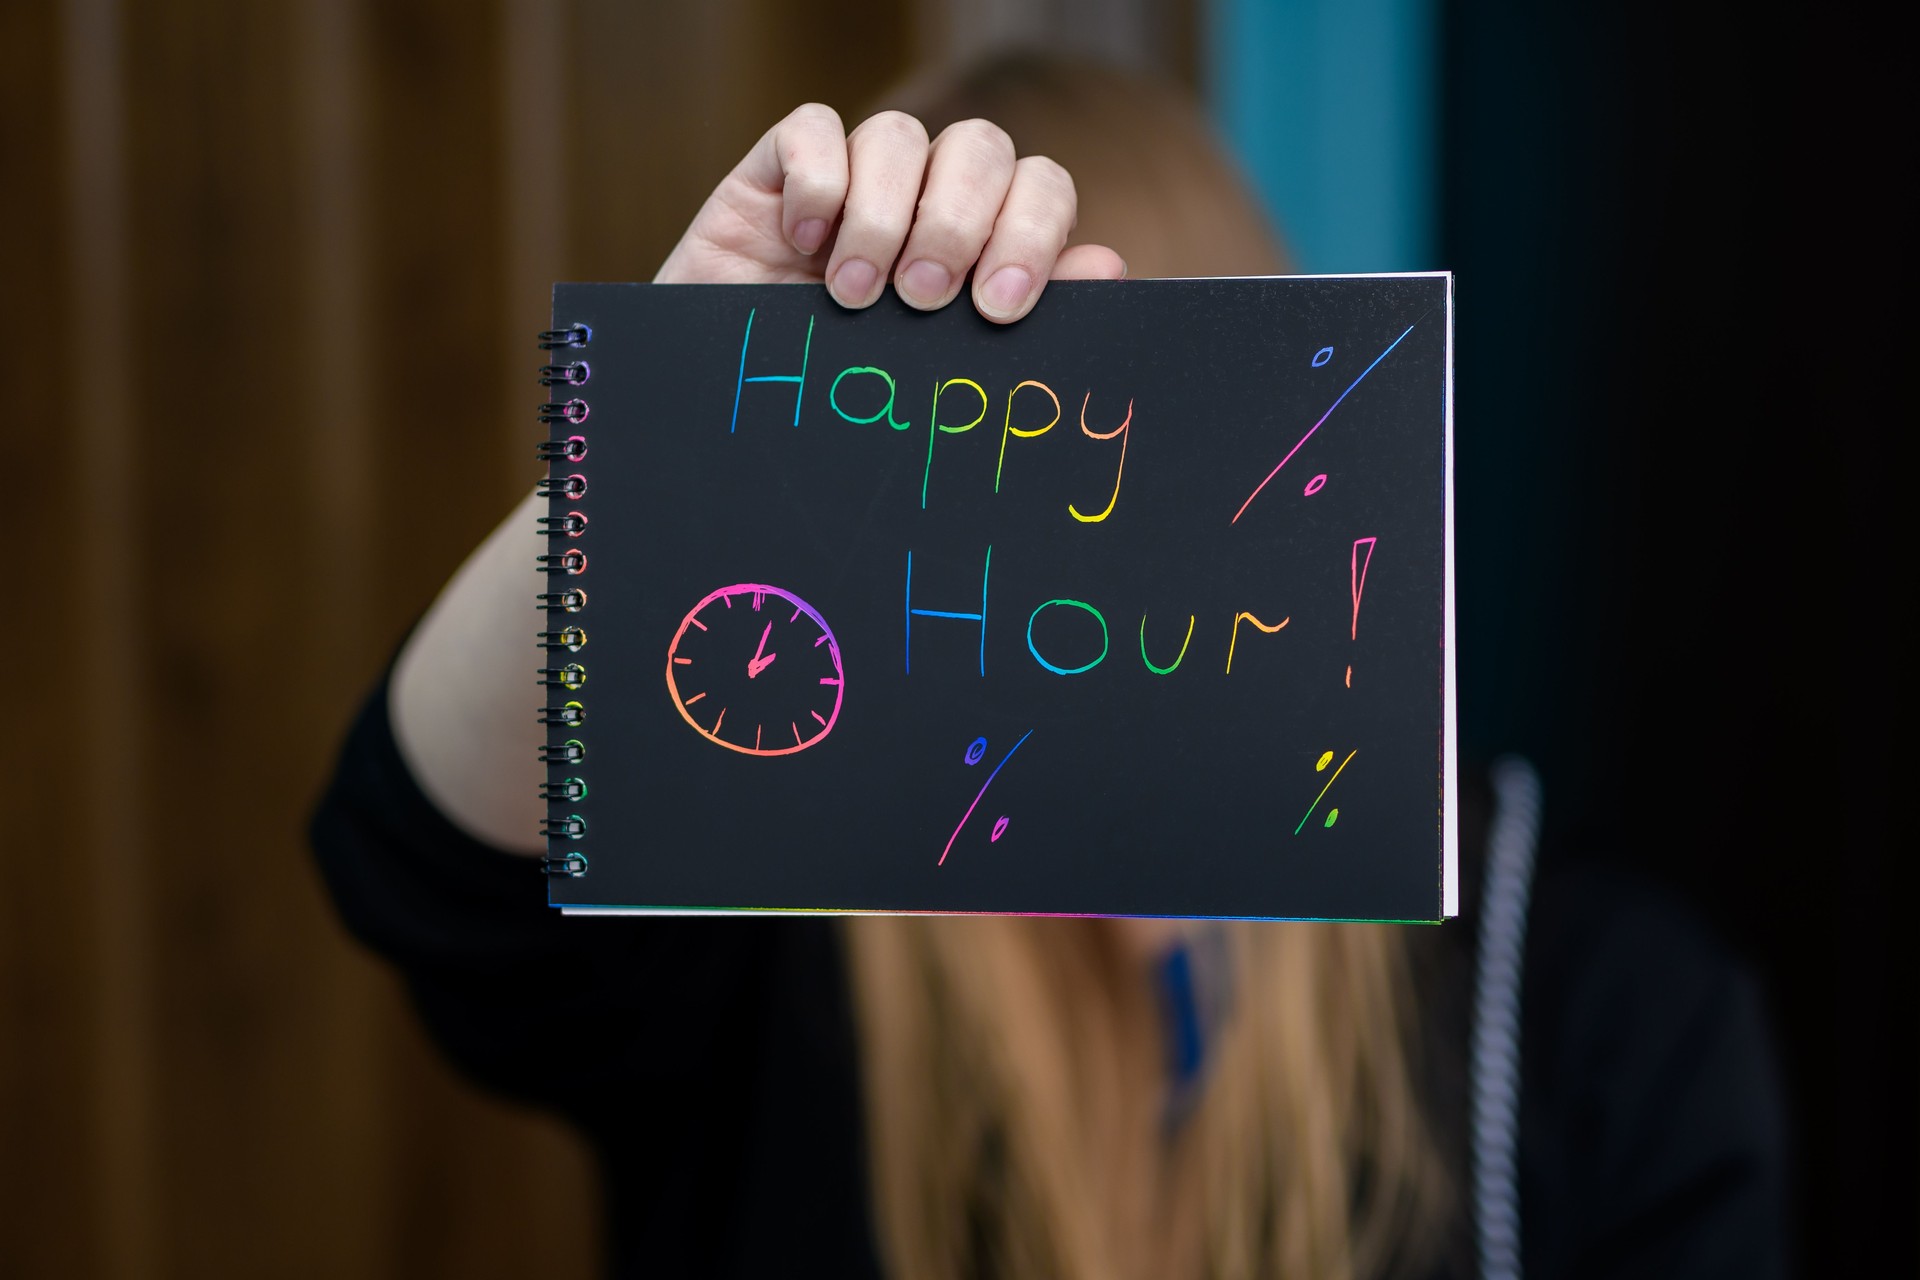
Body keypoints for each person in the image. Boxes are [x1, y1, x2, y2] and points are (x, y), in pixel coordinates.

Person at [310, 53, 1789, 1280]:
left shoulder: (1594, 1009)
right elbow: (419, 863)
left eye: (1124, 470)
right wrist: (638, 464)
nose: (1049, 574)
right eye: (961, 492)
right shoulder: (776, 917)